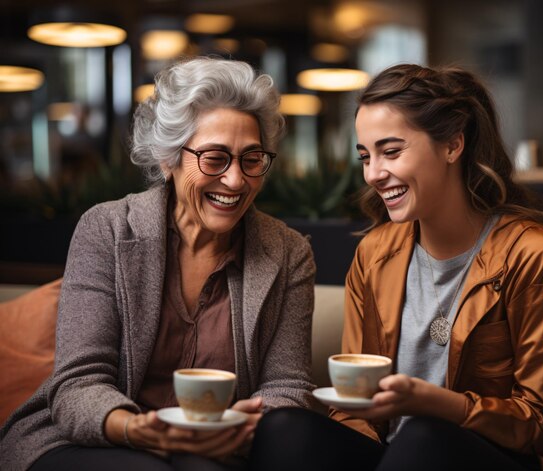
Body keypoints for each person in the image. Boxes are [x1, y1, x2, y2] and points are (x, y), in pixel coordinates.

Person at [249, 64, 543, 470]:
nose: (374, 174)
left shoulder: (536, 256)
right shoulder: (375, 253)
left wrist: (437, 404)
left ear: (452, 145)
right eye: (366, 156)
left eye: (391, 151)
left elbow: (540, 427)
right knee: (283, 427)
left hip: (499, 459)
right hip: (398, 458)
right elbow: (354, 405)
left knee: (424, 436)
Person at [0, 56, 316, 471]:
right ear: (168, 159)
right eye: (215, 158)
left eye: (251, 159)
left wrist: (235, 428)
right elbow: (79, 384)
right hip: (93, 438)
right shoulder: (108, 230)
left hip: (218, 448)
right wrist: (137, 429)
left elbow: (288, 387)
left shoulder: (288, 252)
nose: (236, 180)